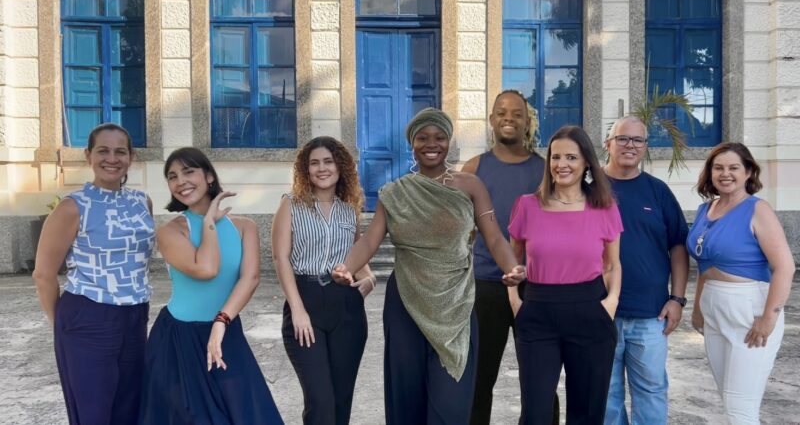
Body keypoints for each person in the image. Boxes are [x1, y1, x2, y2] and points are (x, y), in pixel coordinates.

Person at [332, 108, 526, 424]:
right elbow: (369, 241)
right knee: (407, 397)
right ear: (412, 143)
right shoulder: (395, 192)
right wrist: (347, 267)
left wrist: (511, 267)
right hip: (406, 304)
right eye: (422, 138)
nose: (431, 144)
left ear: (449, 141)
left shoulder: (471, 185)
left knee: (451, 403)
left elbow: (493, 236)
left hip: (455, 303)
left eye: (439, 137)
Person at [139, 147, 283, 424]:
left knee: (248, 415)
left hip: (226, 331)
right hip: (178, 340)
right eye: (172, 176)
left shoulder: (245, 227)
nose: (180, 181)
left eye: (188, 172)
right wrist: (208, 223)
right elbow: (206, 269)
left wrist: (221, 321)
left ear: (209, 176)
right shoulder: (170, 231)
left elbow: (250, 278)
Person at [32, 123, 155, 425]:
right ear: (88, 156)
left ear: (131, 157)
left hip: (135, 315)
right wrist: (61, 326)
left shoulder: (142, 202)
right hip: (88, 315)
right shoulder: (72, 207)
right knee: (94, 412)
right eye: (103, 151)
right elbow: (43, 275)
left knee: (131, 406)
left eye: (120, 151)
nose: (111, 159)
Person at [509, 125, 623, 424]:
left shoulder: (605, 208)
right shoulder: (527, 205)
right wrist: (516, 303)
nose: (562, 164)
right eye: (555, 157)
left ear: (586, 162)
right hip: (537, 313)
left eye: (571, 157)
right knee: (535, 414)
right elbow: (513, 261)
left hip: (591, 311)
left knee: (587, 413)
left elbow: (612, 265)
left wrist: (610, 303)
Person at [461, 90, 558, 425]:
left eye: (517, 114)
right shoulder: (474, 167)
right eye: (502, 112)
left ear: (527, 121)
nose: (509, 119)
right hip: (486, 286)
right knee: (478, 377)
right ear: (491, 119)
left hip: (536, 286)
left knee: (540, 378)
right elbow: (458, 227)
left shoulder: (545, 170)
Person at [687, 142, 794, 425]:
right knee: (729, 399)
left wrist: (768, 320)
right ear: (710, 172)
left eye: (734, 168)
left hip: (749, 309)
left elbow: (785, 267)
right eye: (718, 168)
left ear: (748, 172)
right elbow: (704, 266)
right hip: (714, 308)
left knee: (740, 408)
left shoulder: (758, 210)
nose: (726, 174)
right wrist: (698, 308)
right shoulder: (705, 209)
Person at [271, 136, 375, 425]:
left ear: (340, 166)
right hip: (306, 301)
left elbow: (358, 255)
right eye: (314, 163)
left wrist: (369, 279)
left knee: (341, 401)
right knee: (320, 401)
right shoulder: (291, 204)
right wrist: (297, 310)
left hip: (347, 308)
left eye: (328, 161)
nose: (322, 168)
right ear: (306, 170)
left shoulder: (349, 209)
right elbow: (281, 259)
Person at [601, 116, 689, 425]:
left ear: (645, 146)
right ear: (608, 144)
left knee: (651, 392)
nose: (631, 145)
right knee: (605, 395)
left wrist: (677, 299)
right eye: (623, 138)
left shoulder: (658, 191)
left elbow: (678, 246)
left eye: (638, 140)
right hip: (600, 312)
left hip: (651, 315)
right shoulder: (589, 189)